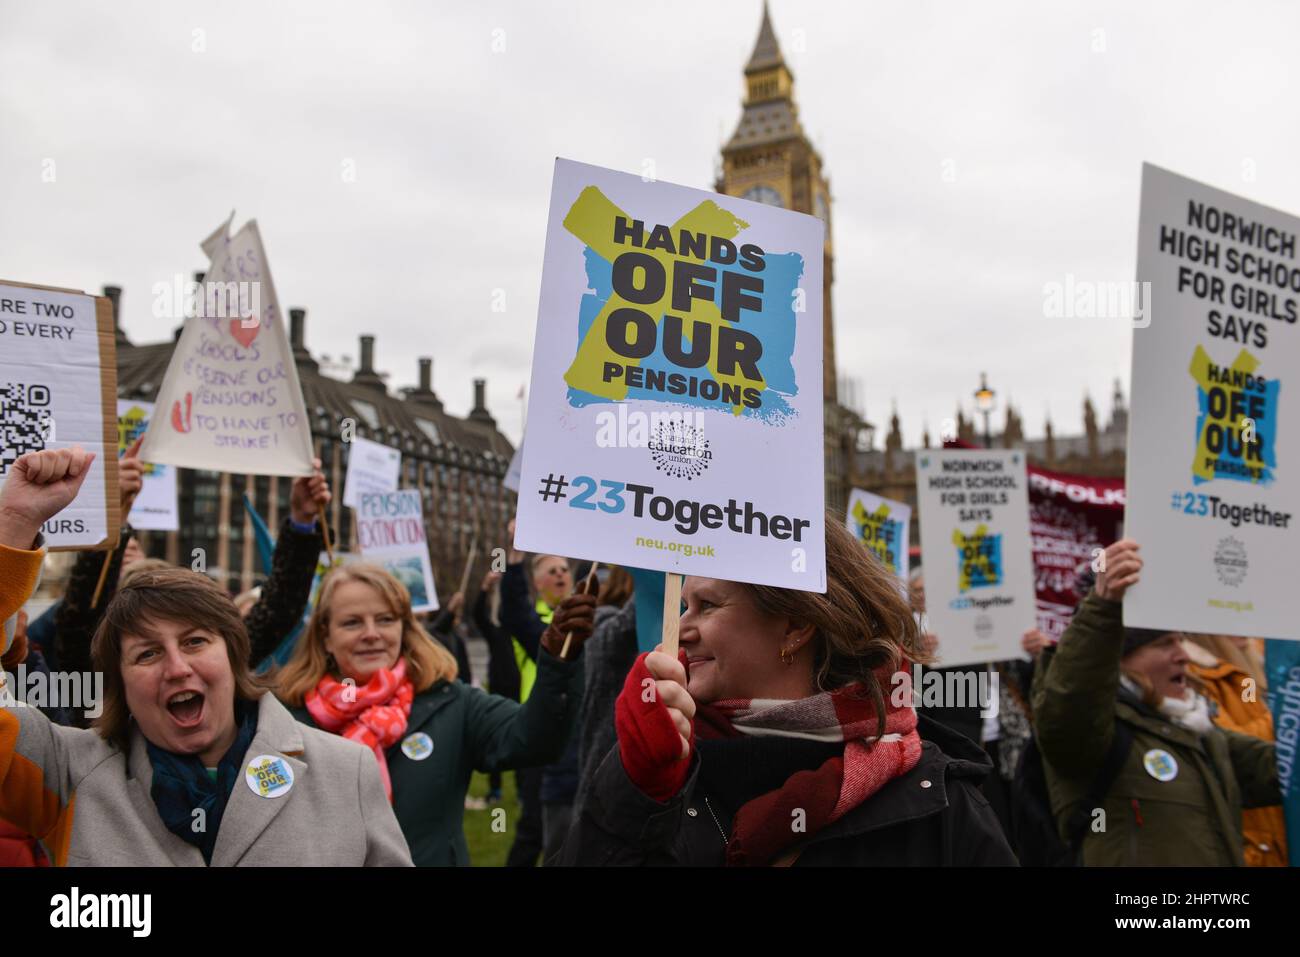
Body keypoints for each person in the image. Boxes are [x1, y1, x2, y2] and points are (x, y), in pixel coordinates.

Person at [0, 448, 412, 866]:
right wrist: (14, 522)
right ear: (117, 680)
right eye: (147, 653)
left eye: (195, 642)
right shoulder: (66, 772)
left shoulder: (346, 770)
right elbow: (78, 620)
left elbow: (281, 605)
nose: (178, 668)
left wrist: (304, 525)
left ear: (235, 654)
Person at [559, 517, 1016, 866]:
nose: (682, 627)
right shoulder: (667, 773)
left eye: (708, 606)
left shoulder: (937, 802)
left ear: (795, 626)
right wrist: (635, 793)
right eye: (684, 605)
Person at [272, 562, 595, 866]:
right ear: (326, 636)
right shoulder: (287, 719)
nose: (371, 633)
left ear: (404, 627)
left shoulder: (451, 703)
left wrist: (559, 662)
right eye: (352, 622)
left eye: (385, 619)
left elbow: (537, 740)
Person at [1032, 538, 1281, 866]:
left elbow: (1277, 769)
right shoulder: (1092, 734)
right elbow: (1073, 694)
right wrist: (1105, 606)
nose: (1182, 657)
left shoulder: (1196, 729)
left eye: (1180, 641)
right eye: (1165, 644)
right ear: (1119, 661)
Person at [1182, 634, 1288, 866]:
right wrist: (1287, 714)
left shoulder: (1242, 672)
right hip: (1253, 836)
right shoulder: (1191, 674)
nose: (1241, 629)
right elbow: (1230, 742)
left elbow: (1253, 706)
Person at [499, 540, 573, 866]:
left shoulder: (588, 618)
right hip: (539, 734)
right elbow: (514, 612)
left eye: (564, 570)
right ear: (538, 583)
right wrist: (513, 563)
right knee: (533, 826)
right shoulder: (539, 624)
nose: (560, 575)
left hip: (575, 737)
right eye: (551, 571)